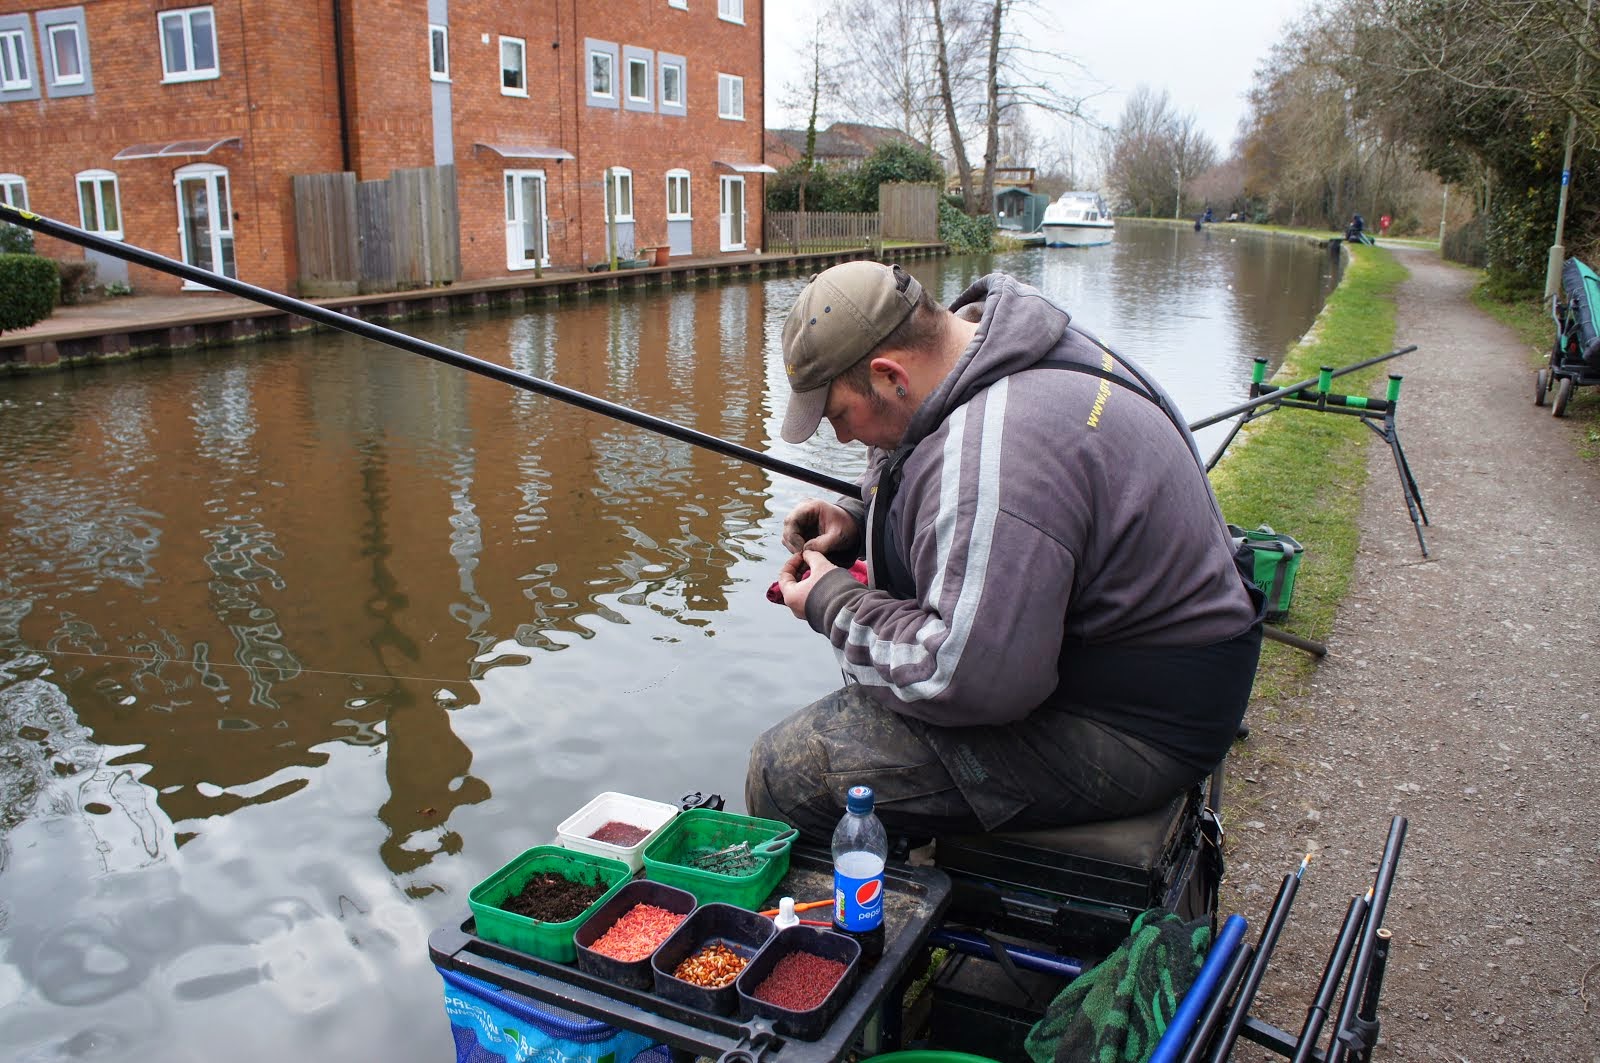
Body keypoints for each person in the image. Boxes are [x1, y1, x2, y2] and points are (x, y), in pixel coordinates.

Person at [744, 262, 1265, 841]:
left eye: (839, 415)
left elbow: (960, 677)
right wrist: (859, 520)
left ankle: (864, 924)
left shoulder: (999, 449)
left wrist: (829, 600)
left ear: (890, 374)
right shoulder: (1005, 348)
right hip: (1155, 663)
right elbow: (963, 496)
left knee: (788, 774)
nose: (840, 437)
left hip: (1138, 724)